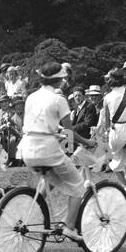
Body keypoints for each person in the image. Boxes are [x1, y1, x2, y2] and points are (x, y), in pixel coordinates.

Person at [16, 62, 94, 242]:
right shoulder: (59, 99)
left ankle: (33, 212)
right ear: (59, 80)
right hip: (47, 150)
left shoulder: (31, 97)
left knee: (50, 178)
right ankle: (70, 227)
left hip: (27, 150)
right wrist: (87, 141)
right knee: (78, 185)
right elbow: (68, 132)